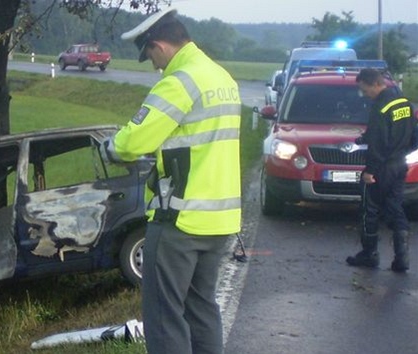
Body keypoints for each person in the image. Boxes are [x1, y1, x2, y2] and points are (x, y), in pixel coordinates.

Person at [99, 8, 241, 354]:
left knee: (164, 315)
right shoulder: (222, 78)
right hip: (220, 220)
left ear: (159, 45)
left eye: (149, 54)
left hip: (180, 220)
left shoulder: (179, 82)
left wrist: (110, 147)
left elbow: (133, 143)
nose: (153, 64)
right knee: (202, 308)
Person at [346, 68, 416, 272]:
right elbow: (412, 135)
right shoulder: (404, 103)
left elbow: (378, 142)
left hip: (381, 167)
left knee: (370, 209)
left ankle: (369, 254)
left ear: (376, 84)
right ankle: (402, 259)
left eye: (365, 89)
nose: (365, 94)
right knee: (395, 207)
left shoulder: (381, 107)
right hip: (399, 164)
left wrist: (370, 170)